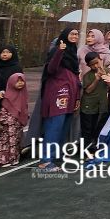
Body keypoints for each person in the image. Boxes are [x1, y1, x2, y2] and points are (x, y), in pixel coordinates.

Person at [38, 29, 82, 171]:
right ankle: (45, 160)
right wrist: (59, 51)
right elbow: (51, 69)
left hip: (70, 94)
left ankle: (56, 154)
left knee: (64, 126)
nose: (74, 36)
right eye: (72, 34)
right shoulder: (58, 50)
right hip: (58, 94)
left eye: (76, 34)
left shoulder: (72, 53)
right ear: (64, 36)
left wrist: (76, 98)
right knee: (54, 126)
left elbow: (75, 76)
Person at [0, 72, 28, 168]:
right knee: (5, 142)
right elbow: (4, 109)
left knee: (15, 141)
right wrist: (4, 121)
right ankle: (3, 160)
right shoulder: (8, 96)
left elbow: (24, 109)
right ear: (11, 83)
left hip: (17, 124)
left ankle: (13, 158)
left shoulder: (23, 95)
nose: (20, 83)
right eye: (17, 81)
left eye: (22, 81)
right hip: (7, 125)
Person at [80, 53, 110, 151]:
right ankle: (86, 150)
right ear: (89, 66)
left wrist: (104, 76)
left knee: (98, 128)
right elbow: (88, 90)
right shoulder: (87, 75)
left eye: (96, 62)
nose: (95, 66)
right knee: (87, 130)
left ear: (100, 60)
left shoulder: (107, 71)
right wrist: (97, 79)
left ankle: (94, 148)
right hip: (88, 106)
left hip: (101, 105)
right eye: (92, 64)